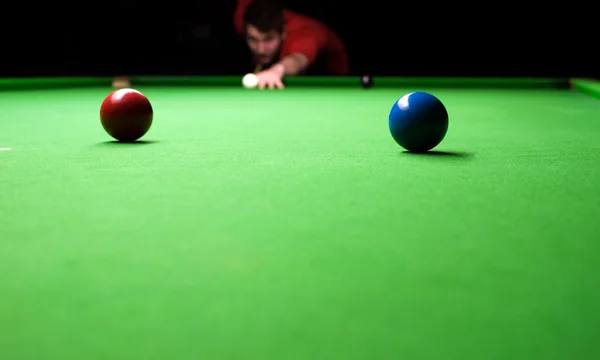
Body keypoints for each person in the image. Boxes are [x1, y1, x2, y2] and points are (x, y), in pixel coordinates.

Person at [234, 0, 349, 89]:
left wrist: (277, 70)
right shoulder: (244, 21)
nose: (260, 50)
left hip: (330, 77)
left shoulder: (305, 34)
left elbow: (298, 59)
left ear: (283, 33)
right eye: (253, 40)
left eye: (268, 39)